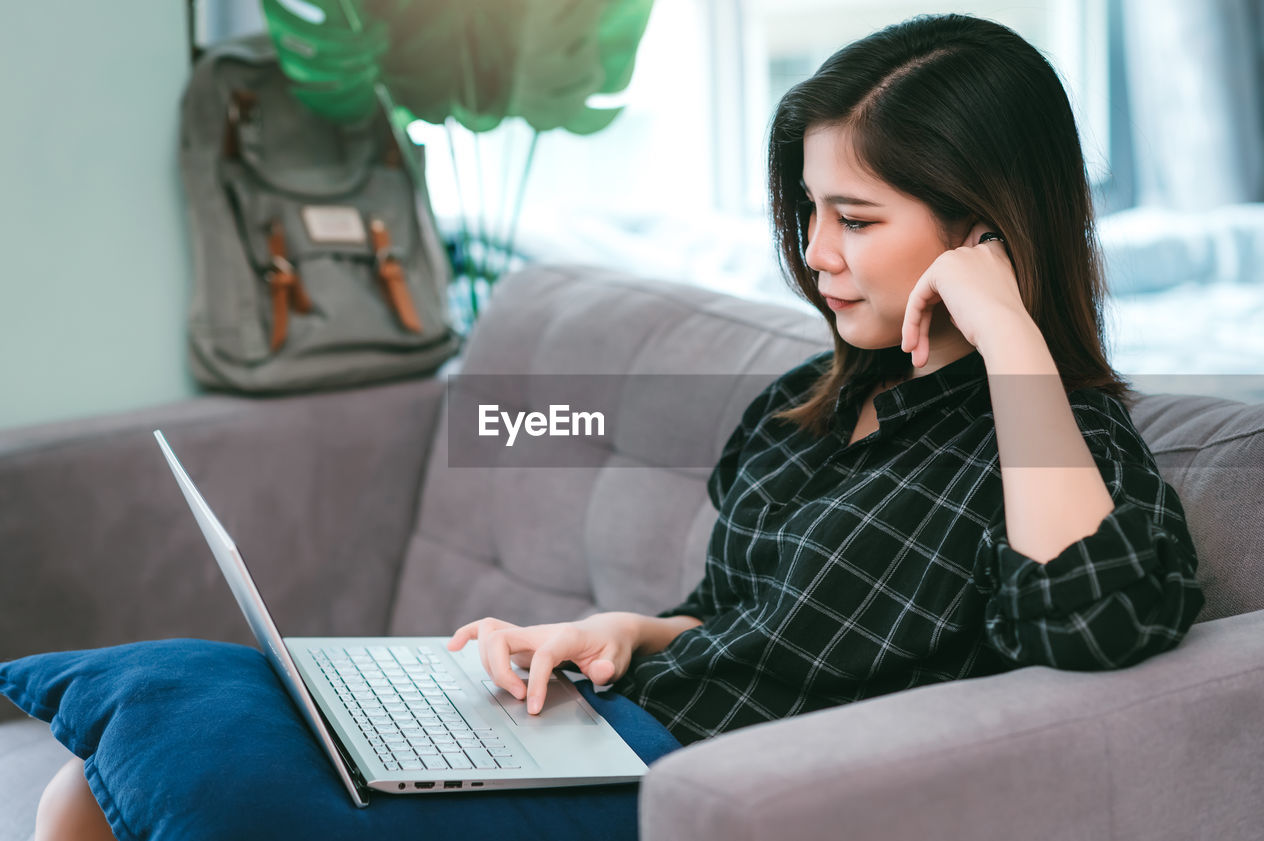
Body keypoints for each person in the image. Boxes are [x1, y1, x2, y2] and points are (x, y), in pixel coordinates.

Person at [34, 12, 1204, 839]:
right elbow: (744, 618)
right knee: (125, 751)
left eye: (854, 217)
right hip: (610, 721)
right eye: (806, 211)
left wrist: (1011, 343)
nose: (813, 254)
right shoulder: (817, 397)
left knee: (166, 767)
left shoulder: (1066, 450)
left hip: (689, 788)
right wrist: (620, 630)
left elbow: (1088, 629)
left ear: (984, 231)